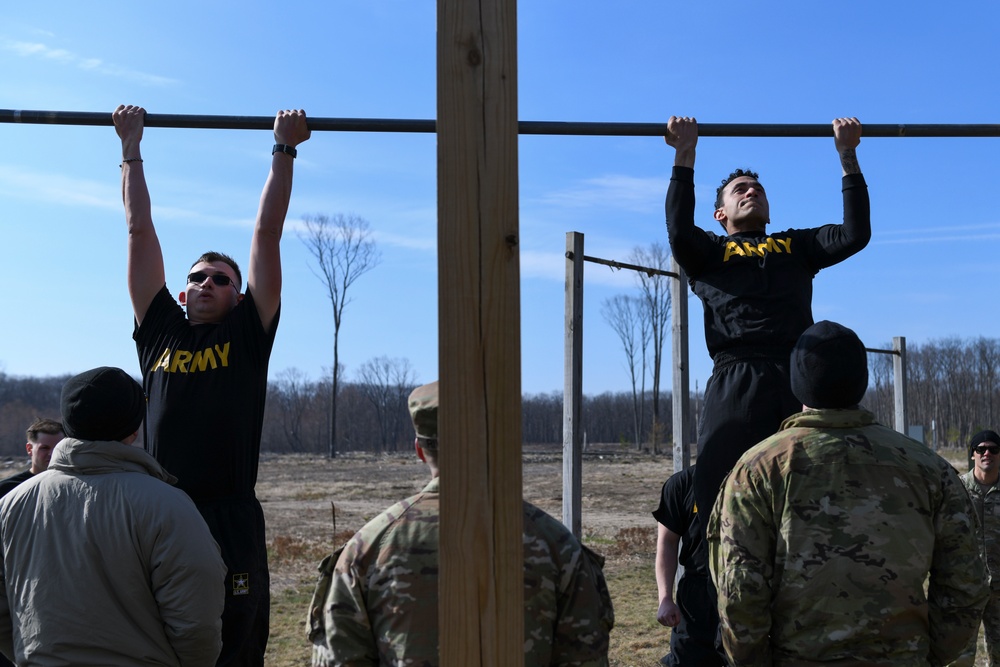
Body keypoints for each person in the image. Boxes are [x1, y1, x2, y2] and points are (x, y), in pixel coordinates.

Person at [113, 103, 310, 666]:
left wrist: (283, 148)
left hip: (228, 518)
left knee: (235, 645)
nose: (204, 284)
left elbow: (266, 232)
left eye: (220, 279)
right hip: (161, 510)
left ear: (238, 296)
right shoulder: (158, 336)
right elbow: (138, 229)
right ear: (180, 293)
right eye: (195, 277)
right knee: (156, 642)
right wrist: (131, 148)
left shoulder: (249, 335)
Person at [707, 320, 988, 666]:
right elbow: (966, 583)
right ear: (862, 381)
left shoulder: (757, 470)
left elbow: (739, 593)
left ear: (797, 382)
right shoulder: (929, 468)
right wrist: (930, 655)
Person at [311, 381, 614, 666]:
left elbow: (341, 655)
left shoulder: (364, 549)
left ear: (419, 450)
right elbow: (586, 656)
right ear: (494, 442)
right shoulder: (558, 546)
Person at [663, 116, 872, 527]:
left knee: (807, 493)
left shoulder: (794, 245)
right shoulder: (709, 251)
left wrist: (848, 155)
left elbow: (855, 233)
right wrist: (684, 155)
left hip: (796, 376)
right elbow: (679, 230)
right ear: (720, 212)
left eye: (757, 188)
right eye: (739, 189)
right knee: (720, 495)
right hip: (735, 378)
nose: (752, 191)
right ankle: (712, 585)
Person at [0, 367, 226, 666]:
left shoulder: (11, 504)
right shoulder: (168, 505)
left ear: (68, 424)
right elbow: (196, 620)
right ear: (134, 429)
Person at [653, 465, 724, 666]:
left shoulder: (752, 475)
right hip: (696, 595)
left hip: (745, 590)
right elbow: (667, 542)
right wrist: (665, 598)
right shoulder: (682, 483)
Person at [959, 429, 1000, 666]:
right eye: (981, 449)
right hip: (965, 587)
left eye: (994, 449)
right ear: (972, 454)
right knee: (959, 654)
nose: (987, 453)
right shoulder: (957, 489)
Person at [0, 418, 63, 499]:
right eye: (44, 448)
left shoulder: (72, 487)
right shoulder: (8, 489)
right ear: (29, 449)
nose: (52, 454)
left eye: (58, 448)